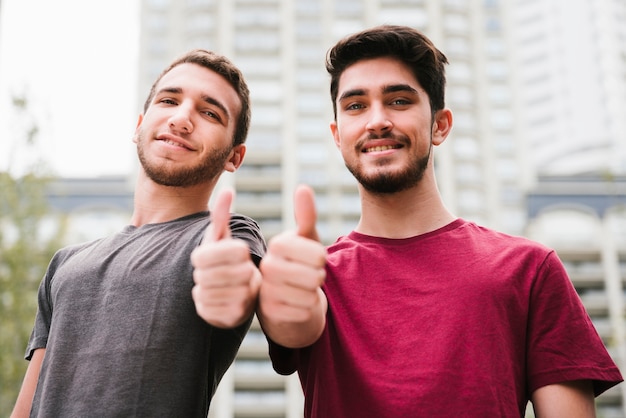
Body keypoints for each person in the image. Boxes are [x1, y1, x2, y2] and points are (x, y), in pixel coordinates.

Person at [257, 25, 623, 417]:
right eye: (356, 106)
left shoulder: (529, 269)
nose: (376, 121)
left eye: (398, 101)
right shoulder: (310, 279)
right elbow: (291, 326)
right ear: (337, 134)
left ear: (440, 125)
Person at [11, 49, 266, 418]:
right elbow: (27, 404)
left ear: (234, 157)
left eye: (209, 113)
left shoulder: (226, 236)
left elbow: (236, 279)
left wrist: (231, 284)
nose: (181, 119)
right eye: (169, 100)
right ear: (139, 126)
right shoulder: (65, 263)